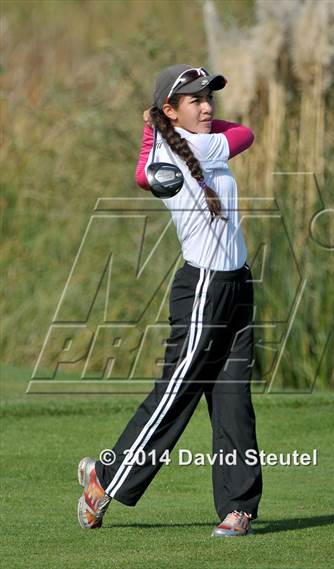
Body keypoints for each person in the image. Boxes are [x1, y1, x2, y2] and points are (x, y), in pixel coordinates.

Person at [77, 64, 263, 537]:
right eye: (195, 100)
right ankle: (106, 477)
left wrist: (157, 126)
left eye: (209, 99)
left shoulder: (175, 141)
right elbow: (246, 134)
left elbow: (144, 170)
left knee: (233, 398)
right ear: (171, 110)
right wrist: (161, 127)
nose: (207, 107)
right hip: (203, 287)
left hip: (237, 284)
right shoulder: (200, 144)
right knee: (175, 395)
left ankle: (237, 507)